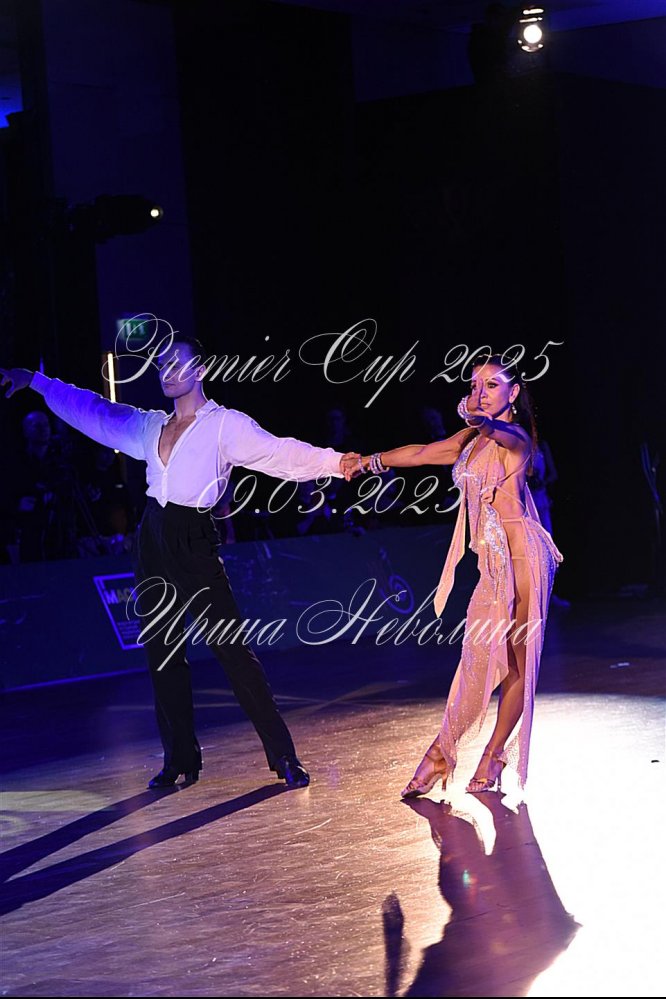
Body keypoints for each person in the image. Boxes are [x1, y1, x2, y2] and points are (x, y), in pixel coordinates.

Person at [0, 339, 356, 790]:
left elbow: (280, 453)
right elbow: (94, 411)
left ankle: (284, 756)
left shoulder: (225, 425)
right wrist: (35, 381)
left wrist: (336, 462)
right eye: (160, 364)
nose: (166, 371)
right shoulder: (150, 425)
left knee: (233, 653)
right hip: (152, 538)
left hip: (194, 539)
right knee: (163, 653)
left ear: (200, 369)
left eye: (176, 363)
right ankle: (180, 758)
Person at [343, 355, 563, 797]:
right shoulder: (469, 441)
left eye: (491, 385)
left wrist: (472, 412)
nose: (481, 392)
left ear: (513, 393)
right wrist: (369, 461)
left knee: (518, 664)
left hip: (523, 560)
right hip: (491, 567)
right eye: (474, 384)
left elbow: (493, 429)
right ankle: (445, 751)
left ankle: (489, 754)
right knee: (476, 660)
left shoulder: (516, 437)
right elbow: (422, 453)